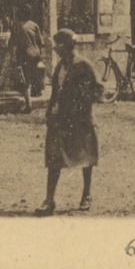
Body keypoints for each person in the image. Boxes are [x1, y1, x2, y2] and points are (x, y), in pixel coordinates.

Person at [36, 29, 98, 216]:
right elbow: (56, 92)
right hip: (60, 119)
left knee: (86, 156)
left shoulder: (84, 65)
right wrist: (50, 112)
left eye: (58, 46)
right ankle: (49, 200)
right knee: (54, 158)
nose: (55, 50)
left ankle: (86, 194)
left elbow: (98, 89)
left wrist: (82, 104)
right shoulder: (60, 67)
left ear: (67, 46)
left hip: (80, 120)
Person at [10, 7, 45, 113]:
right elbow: (41, 42)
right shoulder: (34, 25)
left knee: (25, 79)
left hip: (26, 53)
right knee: (35, 73)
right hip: (36, 52)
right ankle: (38, 91)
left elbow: (12, 43)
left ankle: (28, 104)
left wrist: (13, 55)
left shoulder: (18, 26)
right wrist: (40, 54)